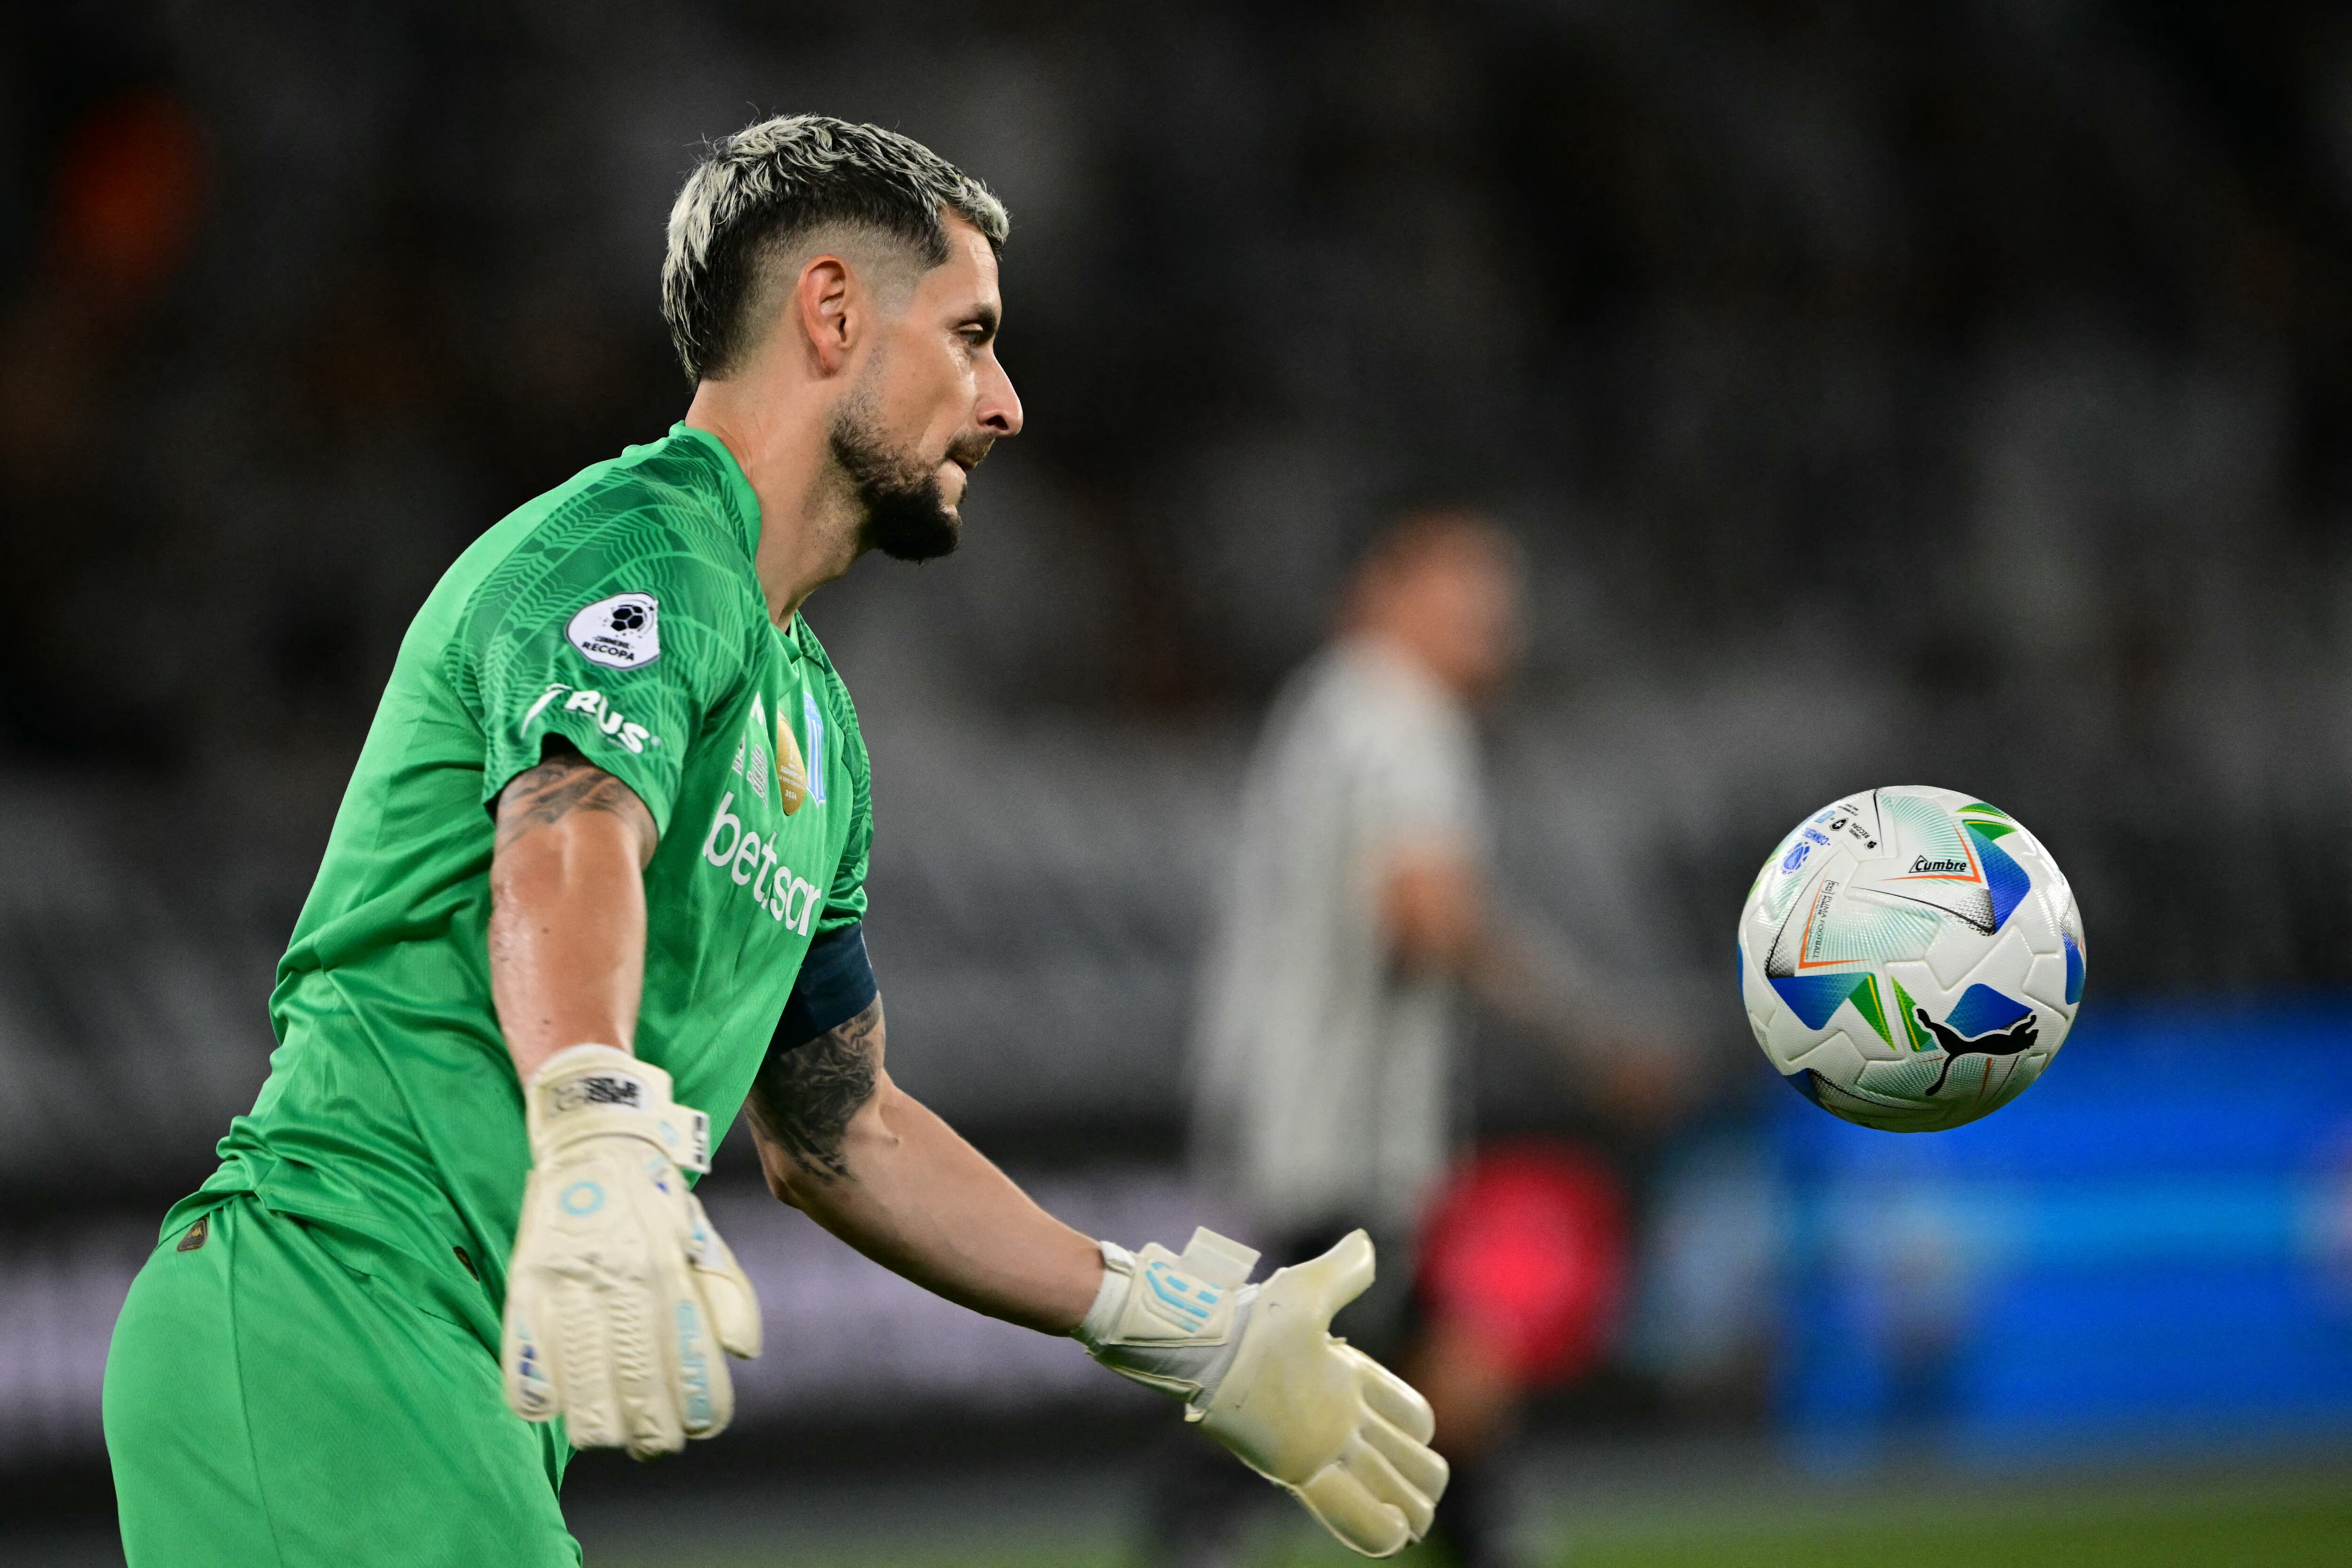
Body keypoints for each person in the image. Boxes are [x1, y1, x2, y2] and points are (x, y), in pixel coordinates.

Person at [101, 114, 1444, 1568]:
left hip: (438, 1369)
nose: (1003, 403)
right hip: (325, 1308)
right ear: (832, 309)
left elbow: (841, 1131)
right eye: (973, 335)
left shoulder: (814, 730)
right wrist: (598, 1117)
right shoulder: (643, 550)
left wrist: (1180, 1324)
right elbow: (566, 838)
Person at [1181, 512, 1674, 1568]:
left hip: (1286, 1098)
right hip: (1342, 1120)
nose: (1496, 626)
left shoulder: (1323, 704)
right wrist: (1590, 1037)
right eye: (1468, 593)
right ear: (1384, 583)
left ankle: (1482, 1533)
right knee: (1326, 1364)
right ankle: (1198, 1527)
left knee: (1427, 1358)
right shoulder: (1398, 714)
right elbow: (1425, 909)